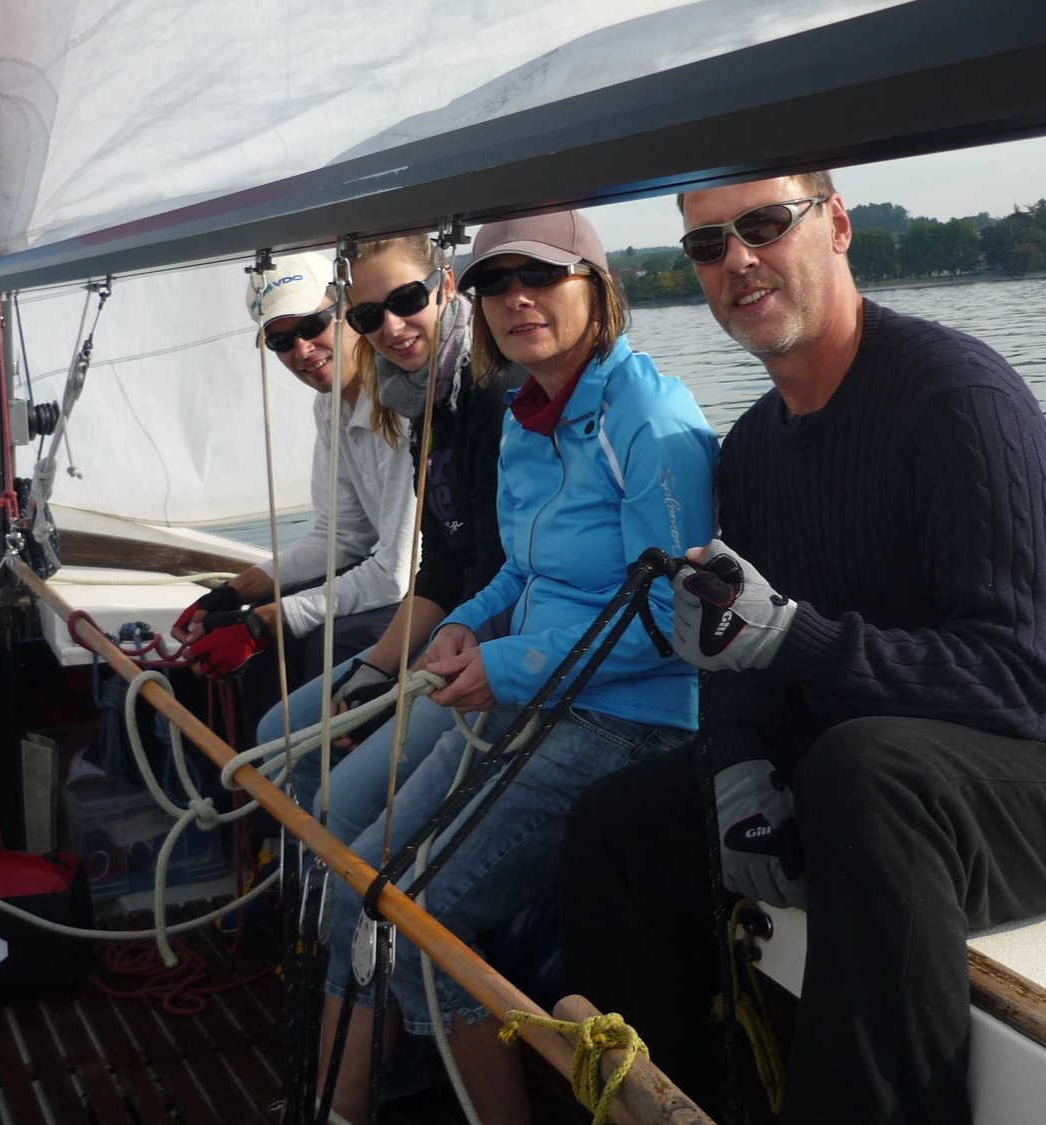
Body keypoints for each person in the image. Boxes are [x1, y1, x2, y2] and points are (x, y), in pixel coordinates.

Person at [560, 173, 1046, 1124]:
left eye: (764, 225)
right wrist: (739, 768)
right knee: (615, 830)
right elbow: (743, 661)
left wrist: (795, 636)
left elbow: (1019, 683)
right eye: (707, 245)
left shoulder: (958, 403)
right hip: (885, 755)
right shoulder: (757, 449)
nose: (738, 261)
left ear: (837, 224)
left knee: (861, 771)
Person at [313, 211, 720, 1125]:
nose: (516, 299)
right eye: (495, 283)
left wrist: (512, 661)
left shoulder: (649, 419)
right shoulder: (530, 415)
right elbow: (518, 569)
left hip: (634, 723)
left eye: (541, 276)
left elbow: (675, 621)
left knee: (416, 924)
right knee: (366, 874)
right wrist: (461, 626)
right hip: (541, 695)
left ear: (598, 289)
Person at [254, 234, 515, 842]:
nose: (391, 327)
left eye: (406, 300)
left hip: (489, 640)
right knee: (277, 736)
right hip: (455, 617)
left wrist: (410, 670)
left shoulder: (489, 397)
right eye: (372, 314)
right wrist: (374, 674)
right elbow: (443, 565)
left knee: (338, 804)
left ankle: (345, 912)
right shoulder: (423, 399)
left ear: (446, 286)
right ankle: (314, 896)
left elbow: (477, 570)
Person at [172, 251, 416, 747]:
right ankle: (260, 802)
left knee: (319, 640)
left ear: (345, 310)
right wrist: (235, 593)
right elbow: (339, 536)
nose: (302, 350)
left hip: (435, 589)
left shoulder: (400, 404)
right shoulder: (329, 406)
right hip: (402, 578)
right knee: (262, 643)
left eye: (312, 325)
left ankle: (299, 799)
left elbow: (397, 569)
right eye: (281, 340)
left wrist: (264, 623)